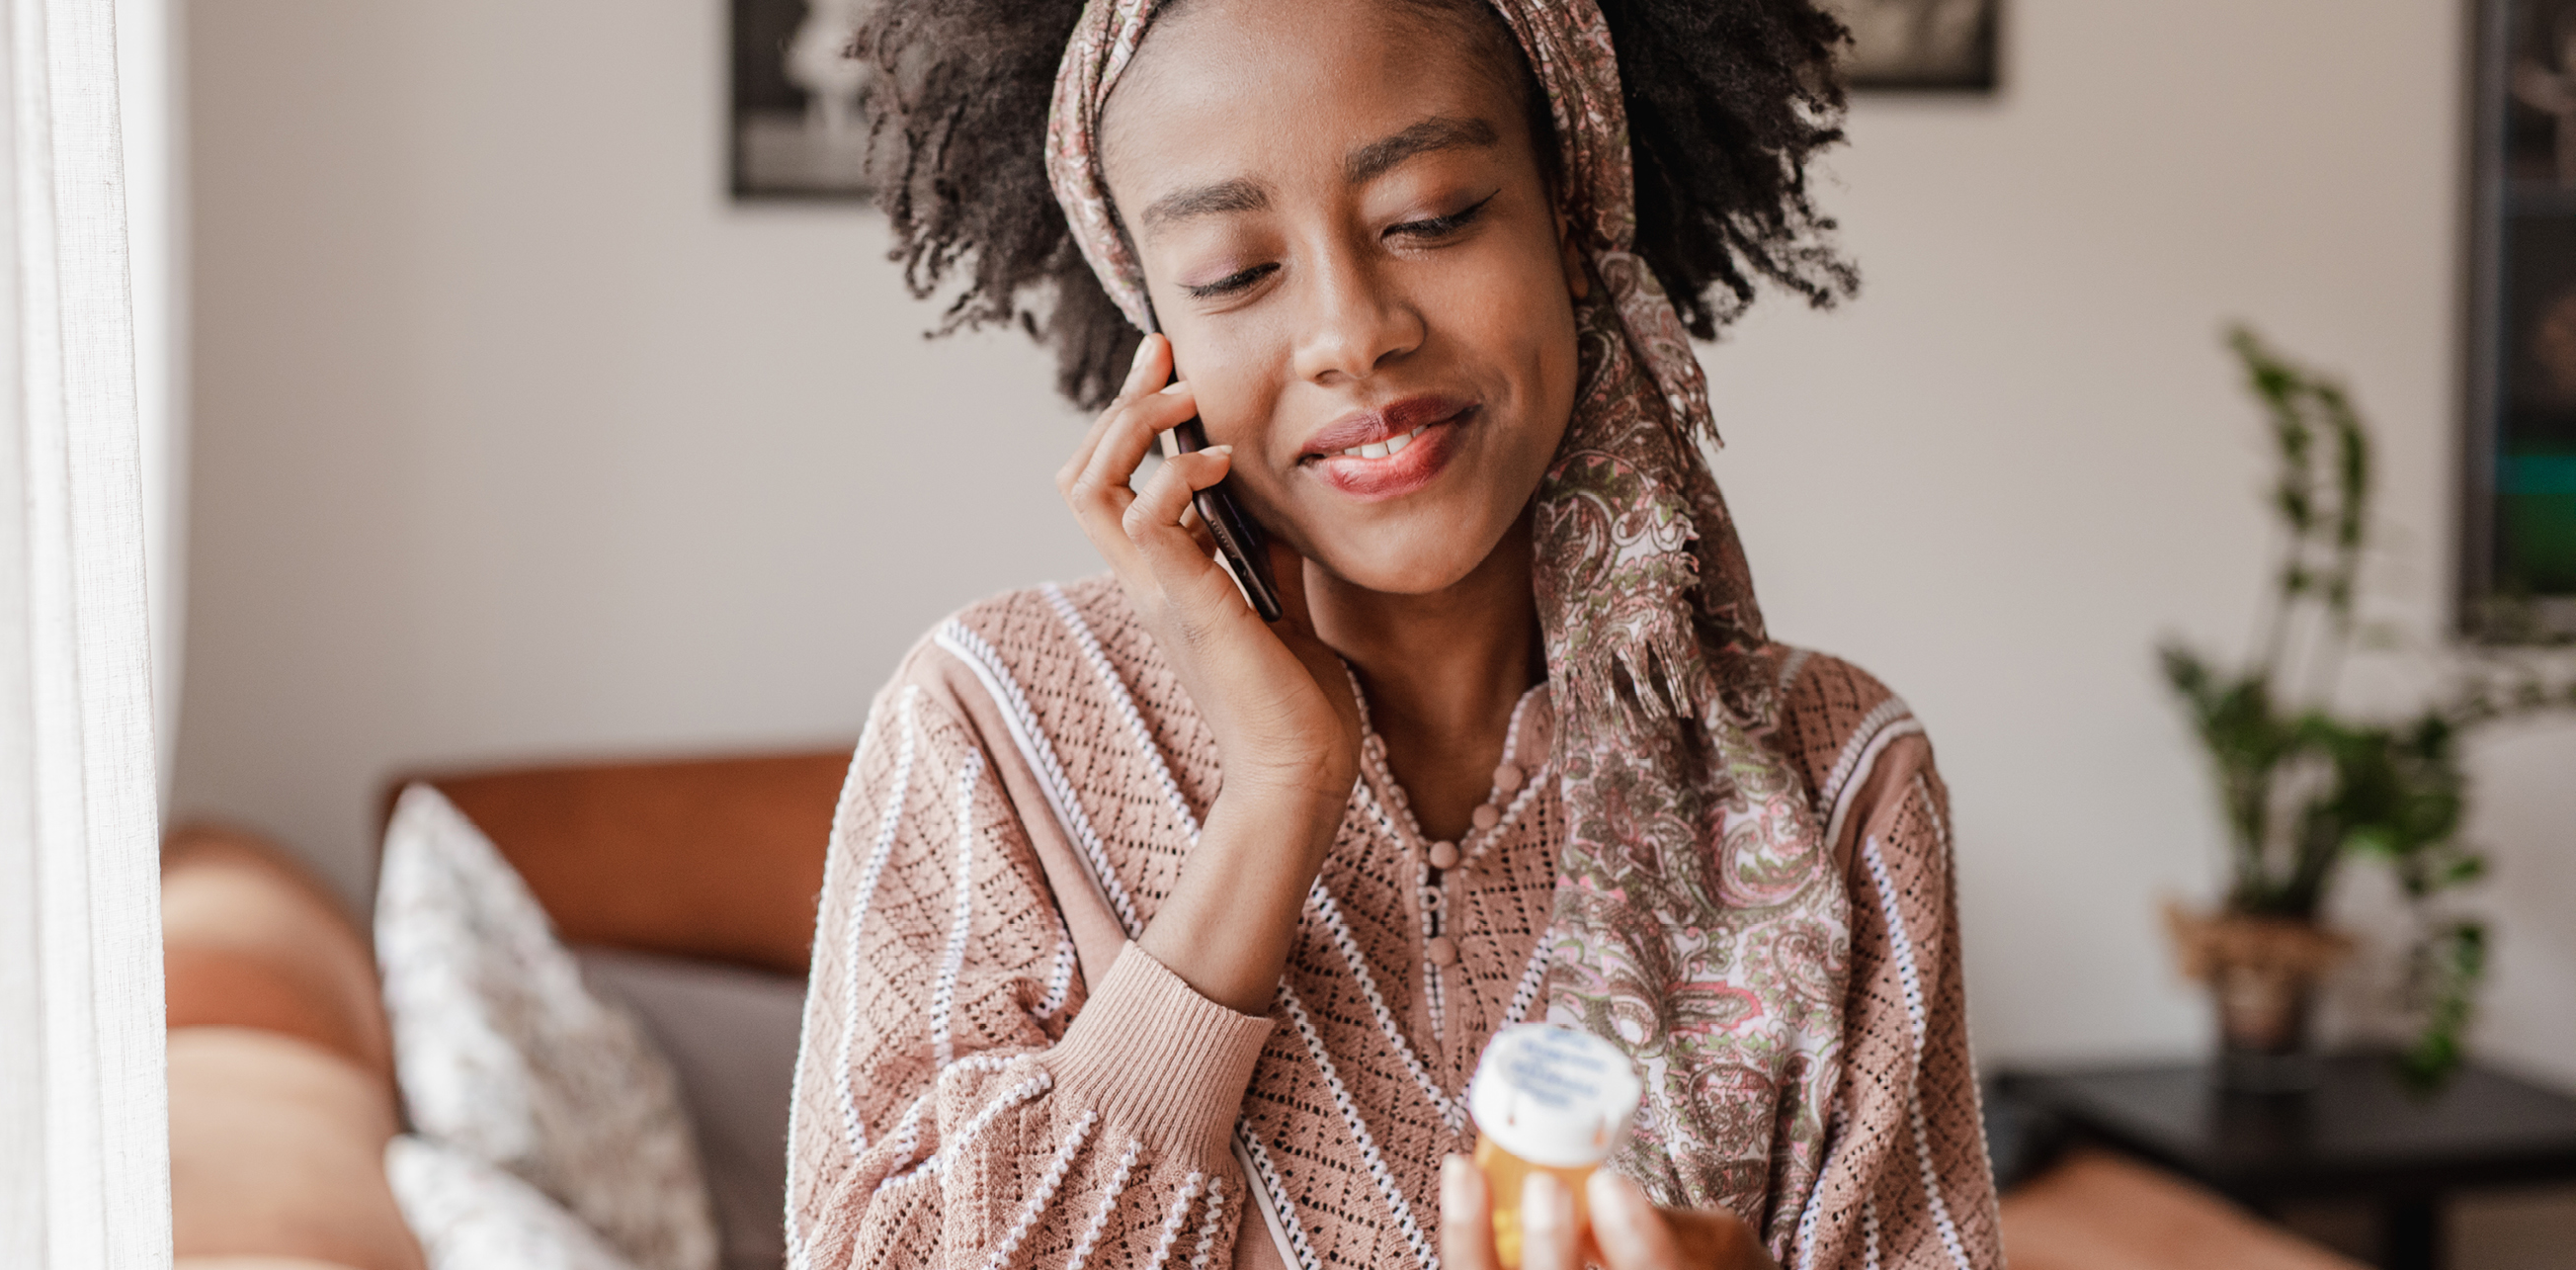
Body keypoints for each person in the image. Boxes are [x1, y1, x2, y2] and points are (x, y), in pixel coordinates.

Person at [786, 1, 2002, 1268]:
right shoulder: (987, 725)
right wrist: (1274, 804)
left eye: (1431, 217)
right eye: (1233, 275)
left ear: (1573, 222)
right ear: (1157, 330)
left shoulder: (1837, 777)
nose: (1353, 333)